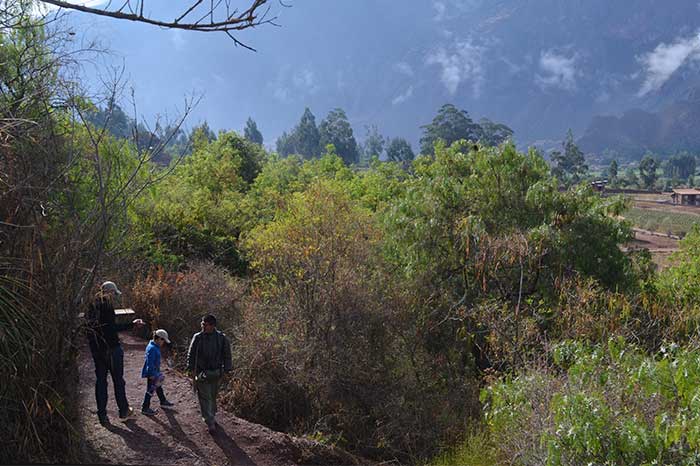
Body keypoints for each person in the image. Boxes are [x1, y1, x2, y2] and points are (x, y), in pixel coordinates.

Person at [85, 281, 145, 424]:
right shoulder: (107, 306)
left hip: (97, 350)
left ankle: (102, 415)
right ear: (109, 293)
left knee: (101, 382)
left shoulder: (91, 306)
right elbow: (112, 329)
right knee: (118, 380)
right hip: (111, 348)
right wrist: (132, 324)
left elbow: (88, 330)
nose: (114, 297)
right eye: (114, 294)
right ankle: (123, 410)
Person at [186, 314, 232, 433]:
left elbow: (227, 355)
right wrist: (190, 369)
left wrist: (227, 370)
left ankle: (211, 415)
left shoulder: (222, 338)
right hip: (202, 373)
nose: (203, 326)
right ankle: (210, 421)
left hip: (217, 373)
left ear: (212, 326)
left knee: (213, 396)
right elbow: (191, 354)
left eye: (205, 324)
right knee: (205, 397)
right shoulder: (198, 337)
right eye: (202, 324)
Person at [140, 329, 175, 415]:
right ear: (158, 339)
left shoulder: (154, 346)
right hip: (152, 373)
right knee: (150, 390)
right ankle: (145, 407)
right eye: (163, 340)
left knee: (158, 386)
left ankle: (163, 401)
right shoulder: (152, 348)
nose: (163, 343)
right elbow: (150, 363)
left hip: (155, 372)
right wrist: (152, 374)